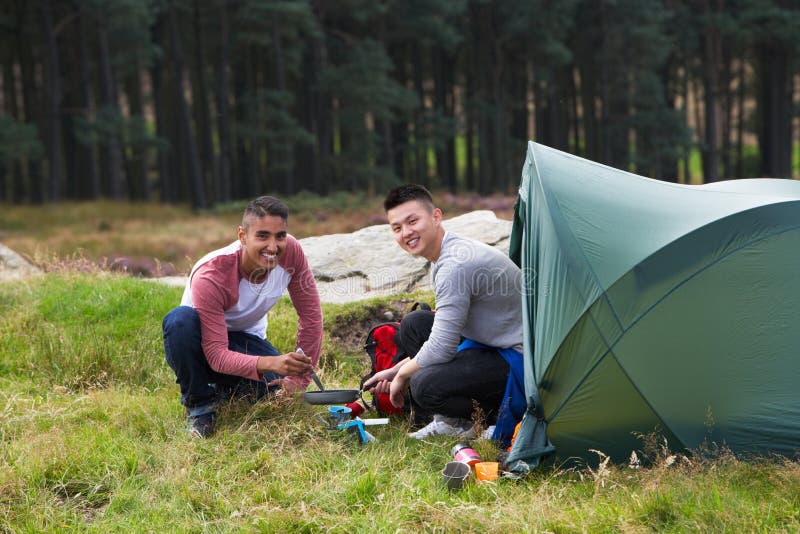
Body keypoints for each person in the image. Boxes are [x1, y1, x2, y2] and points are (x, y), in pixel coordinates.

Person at [363, 185, 525, 441]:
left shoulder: (455, 265)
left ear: (436, 216)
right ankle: (451, 420)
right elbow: (445, 331)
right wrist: (394, 370)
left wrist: (402, 377)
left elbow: (442, 347)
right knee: (415, 324)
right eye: (397, 228)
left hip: (520, 360)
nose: (406, 233)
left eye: (413, 221)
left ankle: (491, 419)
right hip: (489, 342)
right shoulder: (444, 254)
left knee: (423, 385)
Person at [162, 196, 322, 438]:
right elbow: (216, 355)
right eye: (262, 236)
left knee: (274, 392)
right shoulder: (212, 274)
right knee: (179, 321)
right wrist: (271, 362)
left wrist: (296, 380)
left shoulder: (292, 252)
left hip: (245, 340)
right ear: (242, 236)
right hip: (200, 345)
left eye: (280, 236)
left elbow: (311, 317)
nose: (273, 246)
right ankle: (200, 405)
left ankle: (223, 389)